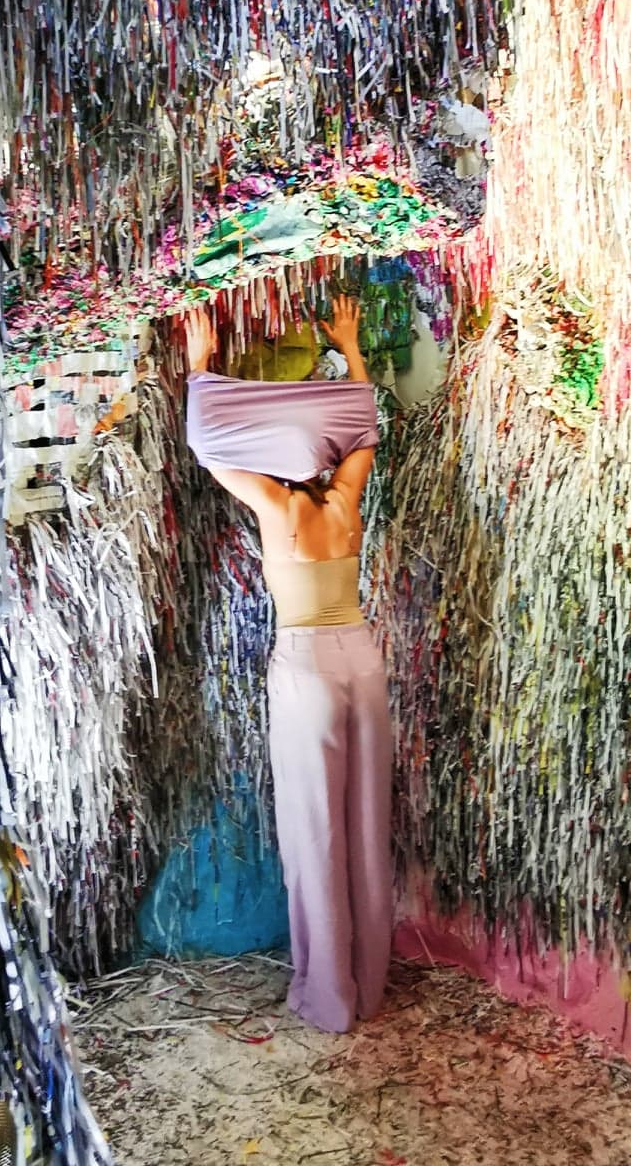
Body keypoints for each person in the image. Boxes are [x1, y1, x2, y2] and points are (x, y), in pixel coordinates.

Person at [182, 295, 394, 1035]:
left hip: (306, 667)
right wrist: (350, 346)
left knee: (315, 830)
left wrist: (200, 366)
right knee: (365, 825)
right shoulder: (346, 501)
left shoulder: (278, 508)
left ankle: (330, 997)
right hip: (363, 660)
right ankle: (370, 983)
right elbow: (365, 425)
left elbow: (209, 448)